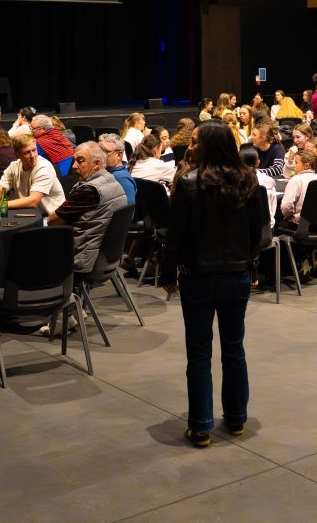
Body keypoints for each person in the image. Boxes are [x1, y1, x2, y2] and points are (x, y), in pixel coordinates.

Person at [158, 120, 266, 447]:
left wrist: (167, 274)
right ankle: (236, 419)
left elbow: (174, 237)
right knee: (234, 350)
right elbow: (258, 235)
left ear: (209, 146)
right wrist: (252, 267)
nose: (190, 147)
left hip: (199, 279)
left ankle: (201, 427)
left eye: (195, 142)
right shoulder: (249, 181)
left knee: (199, 354)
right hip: (236, 278)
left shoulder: (188, 183)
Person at [48, 142, 127, 272]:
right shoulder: (113, 181)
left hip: (82, 257)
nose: (74, 166)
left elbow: (52, 221)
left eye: (80, 161)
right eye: (74, 161)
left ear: (96, 164)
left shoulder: (88, 191)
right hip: (105, 256)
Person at [0, 133, 66, 215]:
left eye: (34, 150)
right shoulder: (14, 166)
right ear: (17, 155)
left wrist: (0, 204)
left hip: (51, 217)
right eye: (27, 152)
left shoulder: (44, 168)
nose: (33, 155)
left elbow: (33, 201)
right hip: (30, 213)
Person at [98, 133, 137, 204]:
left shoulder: (122, 179)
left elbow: (128, 209)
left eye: (105, 152)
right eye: (98, 151)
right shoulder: (104, 171)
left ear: (119, 155)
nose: (100, 156)